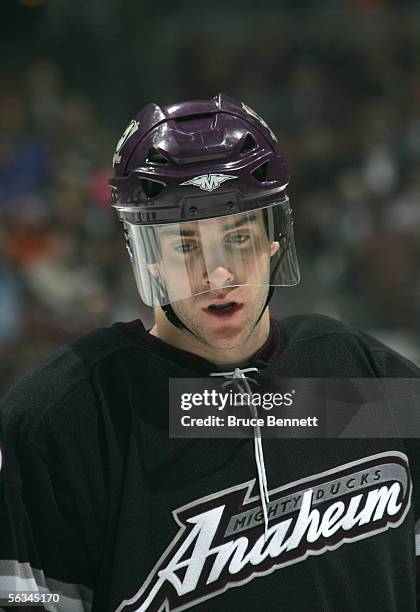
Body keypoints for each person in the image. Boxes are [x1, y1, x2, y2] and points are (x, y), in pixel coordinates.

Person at [0, 93, 419, 612]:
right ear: (147, 257)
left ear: (273, 241)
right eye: (186, 246)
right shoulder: (67, 420)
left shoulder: (363, 378)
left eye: (239, 238)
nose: (218, 276)